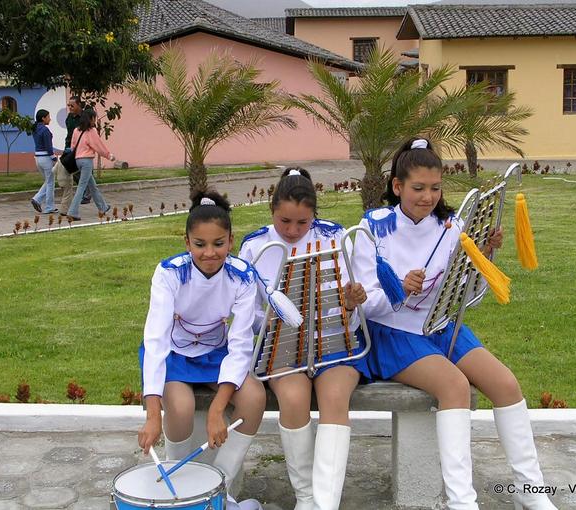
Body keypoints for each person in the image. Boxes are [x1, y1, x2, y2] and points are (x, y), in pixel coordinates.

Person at [350, 138, 557, 510]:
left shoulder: (451, 226)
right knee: (454, 386)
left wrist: (484, 256)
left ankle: (532, 492)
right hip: (393, 332)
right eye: (417, 188)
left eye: (435, 188)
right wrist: (398, 292)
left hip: (441, 324)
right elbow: (364, 306)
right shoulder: (372, 229)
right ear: (397, 187)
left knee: (506, 383)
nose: (427, 197)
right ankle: (462, 502)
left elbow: (468, 294)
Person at [238, 168, 369, 510]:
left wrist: (352, 302)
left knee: (334, 399)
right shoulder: (255, 246)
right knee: (294, 399)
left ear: (314, 215)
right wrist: (270, 320)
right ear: (271, 210)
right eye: (285, 222)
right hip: (282, 348)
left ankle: (324, 504)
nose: (294, 231)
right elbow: (245, 315)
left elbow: (352, 314)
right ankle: (307, 498)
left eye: (303, 223)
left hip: (336, 345)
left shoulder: (336, 237)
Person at [138, 190, 267, 492]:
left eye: (219, 244)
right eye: (200, 244)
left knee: (254, 396)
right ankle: (178, 486)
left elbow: (240, 345)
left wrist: (216, 408)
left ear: (231, 241)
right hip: (175, 353)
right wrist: (153, 415)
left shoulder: (243, 276)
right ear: (187, 243)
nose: (210, 253)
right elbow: (155, 341)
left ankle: (219, 485)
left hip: (217, 352)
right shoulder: (169, 273)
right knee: (180, 408)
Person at [66, 110, 115, 221]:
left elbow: (73, 147)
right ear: (91, 118)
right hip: (87, 161)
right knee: (82, 186)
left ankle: (103, 207)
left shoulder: (76, 130)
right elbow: (98, 146)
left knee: (92, 186)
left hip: (78, 160)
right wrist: (109, 156)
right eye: (94, 118)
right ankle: (72, 211)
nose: (95, 120)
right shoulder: (91, 131)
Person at [64, 95, 92, 205]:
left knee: (86, 172)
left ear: (79, 105)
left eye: (72, 105)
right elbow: (69, 132)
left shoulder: (85, 117)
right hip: (70, 146)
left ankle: (86, 195)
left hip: (83, 148)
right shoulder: (69, 117)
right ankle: (87, 192)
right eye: (68, 105)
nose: (70, 107)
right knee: (72, 170)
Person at [30, 109, 58, 214]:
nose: (50, 119)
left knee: (48, 181)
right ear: (43, 118)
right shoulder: (45, 130)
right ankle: (47, 205)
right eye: (48, 117)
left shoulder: (35, 129)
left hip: (38, 157)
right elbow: (48, 147)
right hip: (46, 158)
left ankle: (38, 200)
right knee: (50, 183)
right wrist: (54, 158)